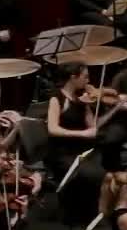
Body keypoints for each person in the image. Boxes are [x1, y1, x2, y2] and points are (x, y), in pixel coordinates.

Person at [42, 62, 107, 219]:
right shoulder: (56, 98)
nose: (88, 80)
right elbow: (52, 129)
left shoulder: (80, 99)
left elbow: (93, 126)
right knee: (94, 174)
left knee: (101, 172)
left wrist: (93, 105)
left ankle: (86, 211)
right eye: (85, 76)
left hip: (80, 151)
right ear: (73, 77)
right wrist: (83, 134)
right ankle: (75, 211)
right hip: (61, 153)